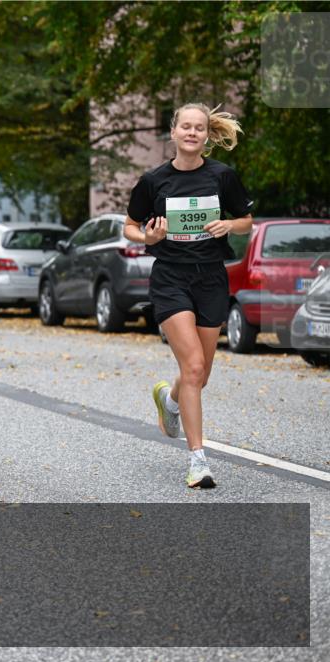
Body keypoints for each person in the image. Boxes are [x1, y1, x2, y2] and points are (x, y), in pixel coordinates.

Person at [124, 102, 253, 489]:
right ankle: (198, 461)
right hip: (170, 280)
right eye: (186, 127)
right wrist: (149, 237)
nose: (192, 133)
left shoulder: (223, 176)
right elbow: (130, 226)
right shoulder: (154, 181)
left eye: (199, 128)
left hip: (212, 279)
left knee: (200, 374)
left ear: (206, 134)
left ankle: (170, 401)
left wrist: (229, 223)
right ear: (174, 133)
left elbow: (247, 221)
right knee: (193, 367)